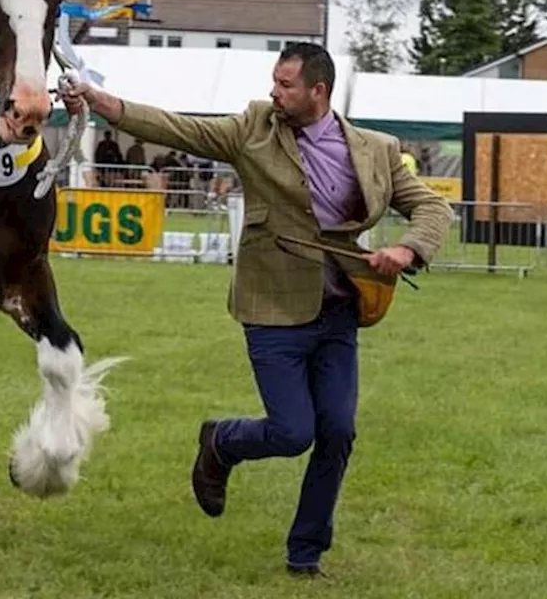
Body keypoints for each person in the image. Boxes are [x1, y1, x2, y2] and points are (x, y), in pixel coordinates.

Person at [60, 42, 453, 579]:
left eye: (286, 84)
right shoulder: (253, 128)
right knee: (293, 432)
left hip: (340, 311)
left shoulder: (376, 148)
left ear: (319, 90)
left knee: (337, 431)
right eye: (274, 81)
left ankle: (305, 555)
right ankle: (221, 442)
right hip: (271, 307)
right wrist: (103, 102)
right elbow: (178, 129)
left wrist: (408, 248)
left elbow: (431, 205)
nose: (274, 91)